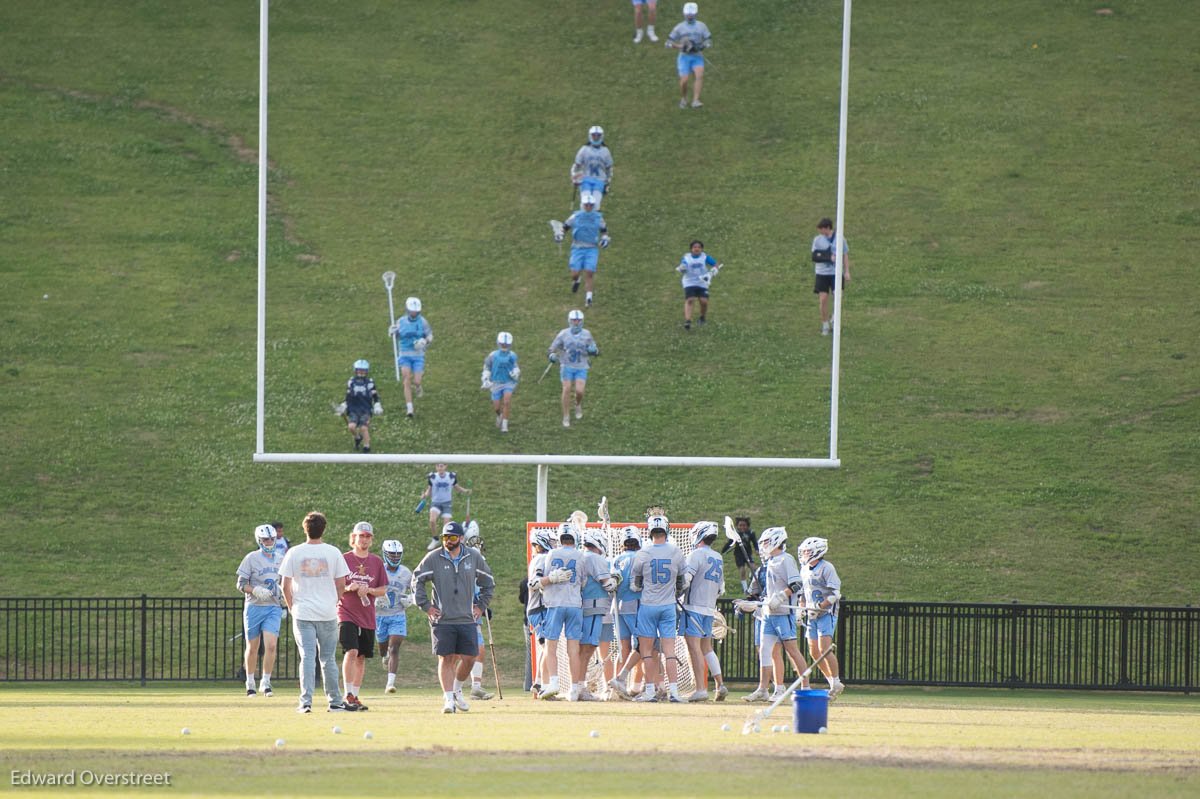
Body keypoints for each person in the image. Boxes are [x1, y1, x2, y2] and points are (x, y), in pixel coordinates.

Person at [411, 521, 495, 714]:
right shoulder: (433, 558)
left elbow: (488, 583)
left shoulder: (473, 557)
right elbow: (417, 580)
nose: (448, 541)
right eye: (445, 537)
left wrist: (481, 606)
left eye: (452, 537)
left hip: (467, 618)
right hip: (442, 619)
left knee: (470, 658)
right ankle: (448, 699)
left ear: (461, 538)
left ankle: (457, 689)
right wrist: (426, 606)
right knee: (446, 658)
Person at [278, 511, 355, 713]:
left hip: (303, 613)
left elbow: (284, 585)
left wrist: (292, 607)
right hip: (328, 613)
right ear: (324, 529)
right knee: (328, 659)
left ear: (305, 529)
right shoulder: (333, 552)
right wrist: (333, 601)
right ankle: (335, 701)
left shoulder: (294, 552)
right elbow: (341, 583)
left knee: (307, 657)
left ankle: (306, 702)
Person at [531, 524, 603, 701]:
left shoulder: (551, 555)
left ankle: (553, 682)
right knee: (573, 649)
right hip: (574, 605)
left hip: (554, 604)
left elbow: (539, 582)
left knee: (551, 646)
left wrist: (553, 580)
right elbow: (584, 582)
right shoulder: (580, 556)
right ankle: (574, 688)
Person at [630, 515, 687, 702]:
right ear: (666, 530)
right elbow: (682, 582)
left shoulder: (643, 553)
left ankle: (649, 691)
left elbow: (635, 584)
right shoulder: (676, 553)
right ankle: (675, 693)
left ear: (649, 531)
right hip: (668, 606)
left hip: (648, 605)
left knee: (646, 651)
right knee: (669, 651)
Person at [755, 526, 814, 700]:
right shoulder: (770, 561)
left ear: (776, 541)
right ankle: (765, 689)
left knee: (792, 651)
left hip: (783, 613)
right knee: (765, 650)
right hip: (769, 613)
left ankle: (806, 687)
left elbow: (796, 584)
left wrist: (781, 596)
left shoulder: (786, 559)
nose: (764, 545)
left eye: (766, 542)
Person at [338, 521, 388, 711]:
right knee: (351, 651)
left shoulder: (376, 562)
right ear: (354, 537)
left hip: (367, 614)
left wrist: (370, 590)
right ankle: (347, 693)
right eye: (361, 536)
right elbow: (336, 585)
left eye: (368, 536)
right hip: (346, 612)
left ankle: (356, 696)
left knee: (361, 656)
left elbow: (383, 589)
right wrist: (348, 587)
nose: (365, 539)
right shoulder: (344, 559)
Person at [680, 521, 728, 701]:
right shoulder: (718, 557)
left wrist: (675, 590)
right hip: (709, 608)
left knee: (694, 648)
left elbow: (685, 581)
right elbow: (721, 588)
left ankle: (700, 689)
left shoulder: (696, 555)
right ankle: (720, 684)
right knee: (706, 648)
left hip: (693, 608)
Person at [236, 524, 284, 697]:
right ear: (259, 540)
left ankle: (266, 681)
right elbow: (241, 584)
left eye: (272, 539)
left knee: (271, 645)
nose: (269, 542)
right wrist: (255, 590)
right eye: (266, 539)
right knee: (253, 646)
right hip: (255, 606)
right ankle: (250, 681)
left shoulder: (281, 558)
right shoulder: (251, 558)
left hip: (273, 606)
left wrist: (285, 595)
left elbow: (286, 582)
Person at [798, 536, 844, 699]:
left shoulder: (827, 568)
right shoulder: (804, 569)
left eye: (807, 551)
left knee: (824, 649)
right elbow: (803, 593)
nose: (804, 554)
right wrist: (801, 609)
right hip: (811, 615)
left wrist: (820, 606)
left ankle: (836, 680)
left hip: (826, 613)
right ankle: (832, 682)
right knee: (814, 651)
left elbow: (834, 595)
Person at [578, 531, 619, 701]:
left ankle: (582, 685)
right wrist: (616, 578)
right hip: (600, 611)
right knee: (602, 654)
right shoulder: (601, 561)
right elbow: (609, 586)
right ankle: (605, 687)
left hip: (581, 610)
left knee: (585, 651)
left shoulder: (579, 558)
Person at [607, 527, 646, 700]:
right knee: (643, 645)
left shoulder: (616, 559)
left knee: (624, 649)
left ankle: (617, 690)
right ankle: (625, 681)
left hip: (618, 606)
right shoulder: (640, 557)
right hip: (635, 605)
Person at [547, 309, 599, 428]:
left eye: (578, 320)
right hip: (567, 365)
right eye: (574, 320)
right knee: (566, 389)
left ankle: (577, 404)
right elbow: (552, 348)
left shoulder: (587, 334)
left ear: (582, 321)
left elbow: (595, 349)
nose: (576, 323)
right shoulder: (563, 334)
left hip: (581, 366)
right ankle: (566, 415)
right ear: (569, 321)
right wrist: (551, 355)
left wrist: (593, 351)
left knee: (579, 391)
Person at [554, 195, 609, 307]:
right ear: (583, 205)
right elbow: (565, 227)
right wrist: (560, 235)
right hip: (577, 247)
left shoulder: (598, 218)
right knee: (574, 274)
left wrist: (605, 238)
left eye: (590, 205)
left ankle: (588, 298)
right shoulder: (576, 216)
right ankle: (577, 279)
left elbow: (604, 231)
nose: (588, 207)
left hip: (591, 248)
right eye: (586, 205)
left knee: (589, 272)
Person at [376, 539, 414, 695]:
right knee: (383, 649)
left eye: (398, 554)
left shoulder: (405, 573)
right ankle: (384, 656)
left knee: (395, 648)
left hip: (397, 614)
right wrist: (375, 598)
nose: (395, 557)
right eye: (392, 554)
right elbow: (370, 587)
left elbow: (415, 590)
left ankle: (390, 683)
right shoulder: (378, 570)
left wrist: (411, 599)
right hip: (379, 615)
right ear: (385, 554)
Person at [388, 296, 433, 417]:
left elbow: (430, 335)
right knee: (406, 379)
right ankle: (409, 407)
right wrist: (392, 332)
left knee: (417, 381)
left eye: (416, 311)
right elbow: (396, 335)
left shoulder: (422, 321)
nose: (414, 313)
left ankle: (418, 387)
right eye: (412, 311)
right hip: (405, 354)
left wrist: (425, 341)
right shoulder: (401, 321)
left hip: (418, 355)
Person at [526, 527, 556, 698]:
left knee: (546, 647)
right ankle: (545, 686)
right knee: (548, 647)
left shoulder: (541, 558)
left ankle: (538, 682)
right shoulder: (541, 558)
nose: (554, 544)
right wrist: (553, 579)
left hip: (540, 607)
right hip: (539, 607)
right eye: (551, 542)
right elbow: (534, 583)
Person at [666, 3, 711, 109]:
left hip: (697, 56)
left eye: (692, 14)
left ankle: (695, 101)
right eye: (688, 15)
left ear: (696, 14)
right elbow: (668, 42)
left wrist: (701, 46)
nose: (690, 17)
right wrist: (680, 46)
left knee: (699, 75)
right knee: (684, 80)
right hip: (684, 57)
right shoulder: (679, 27)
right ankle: (684, 98)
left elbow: (709, 40)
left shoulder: (701, 26)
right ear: (684, 14)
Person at [811, 217, 851, 336]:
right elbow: (815, 256)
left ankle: (834, 319)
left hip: (836, 273)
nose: (820, 232)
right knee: (823, 299)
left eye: (821, 229)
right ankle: (825, 324)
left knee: (838, 296)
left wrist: (847, 271)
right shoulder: (817, 240)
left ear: (827, 228)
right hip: (822, 273)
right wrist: (828, 258)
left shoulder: (840, 238)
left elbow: (845, 255)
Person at [418, 464, 472, 551]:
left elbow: (457, 487)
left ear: (445, 466)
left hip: (447, 504)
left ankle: (446, 542)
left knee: (446, 526)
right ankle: (435, 539)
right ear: (436, 467)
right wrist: (424, 495)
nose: (440, 468)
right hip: (435, 503)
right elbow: (429, 490)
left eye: (442, 466)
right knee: (432, 521)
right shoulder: (433, 477)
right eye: (438, 466)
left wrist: (466, 491)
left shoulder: (451, 477)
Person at [334, 360, 382, 453]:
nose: (361, 373)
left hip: (365, 409)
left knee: (364, 428)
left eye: (363, 371)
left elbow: (375, 395)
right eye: (359, 370)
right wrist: (344, 405)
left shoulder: (369, 382)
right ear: (355, 370)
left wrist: (377, 405)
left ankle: (366, 446)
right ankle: (357, 437)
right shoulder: (351, 381)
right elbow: (348, 396)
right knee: (351, 426)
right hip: (353, 409)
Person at [675, 240, 723, 329]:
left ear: (701, 249)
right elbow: (683, 265)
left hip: (702, 282)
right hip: (689, 282)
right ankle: (688, 321)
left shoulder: (704, 257)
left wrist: (713, 271)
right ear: (691, 249)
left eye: (699, 247)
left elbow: (716, 264)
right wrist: (682, 268)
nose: (697, 249)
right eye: (694, 247)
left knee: (704, 301)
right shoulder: (687, 257)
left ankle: (702, 317)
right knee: (690, 300)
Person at [481, 332, 519, 434]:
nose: (504, 346)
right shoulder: (493, 355)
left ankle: (505, 426)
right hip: (496, 382)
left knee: (507, 401)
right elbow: (487, 367)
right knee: (497, 407)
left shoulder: (512, 355)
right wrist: (485, 378)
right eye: (503, 344)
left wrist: (515, 373)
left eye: (506, 344)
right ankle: (499, 415)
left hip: (508, 382)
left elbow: (516, 367)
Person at [570, 126, 614, 211]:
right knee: (584, 203)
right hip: (586, 179)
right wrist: (574, 177)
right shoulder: (584, 150)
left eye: (598, 135)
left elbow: (609, 169)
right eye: (594, 135)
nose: (596, 138)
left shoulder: (605, 151)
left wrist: (607, 182)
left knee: (596, 204)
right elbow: (576, 165)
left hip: (599, 180)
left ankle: (595, 223)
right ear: (590, 136)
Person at [720, 516, 756, 592]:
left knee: (753, 568)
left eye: (744, 525)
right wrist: (722, 551)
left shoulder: (751, 533)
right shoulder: (735, 533)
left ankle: (753, 585)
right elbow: (729, 543)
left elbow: (754, 542)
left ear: (747, 525)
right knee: (742, 571)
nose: (742, 527)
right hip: (739, 555)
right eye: (740, 525)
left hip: (748, 554)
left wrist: (757, 550)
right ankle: (745, 589)